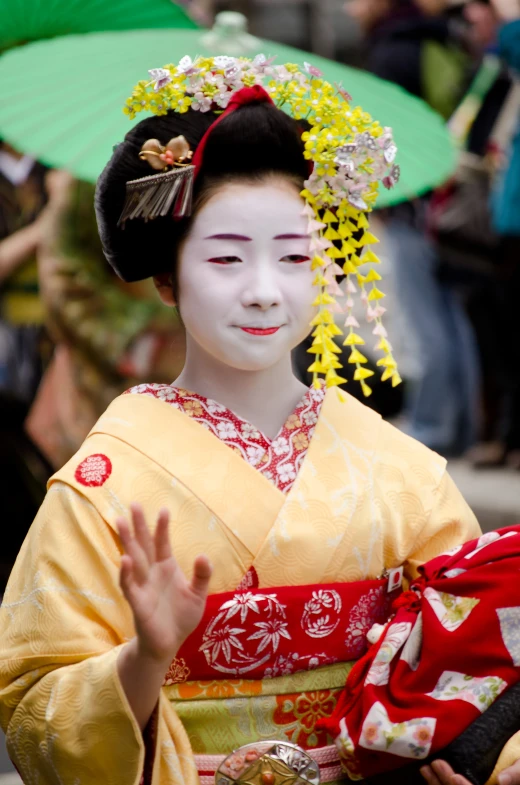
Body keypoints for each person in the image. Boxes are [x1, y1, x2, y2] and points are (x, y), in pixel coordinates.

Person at [0, 54, 519, 785]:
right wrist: (143, 657)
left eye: (295, 256)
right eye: (227, 258)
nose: (265, 292)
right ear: (168, 276)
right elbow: (35, 703)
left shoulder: (397, 470)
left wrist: (485, 753)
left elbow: (478, 658)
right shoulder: (106, 480)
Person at [345, 0, 482, 456]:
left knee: (427, 320)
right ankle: (460, 426)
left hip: (413, 199)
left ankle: (432, 427)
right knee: (450, 314)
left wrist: (377, 194)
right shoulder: (443, 41)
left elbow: (381, 134)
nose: (349, 9)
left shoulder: (392, 51)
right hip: (447, 199)